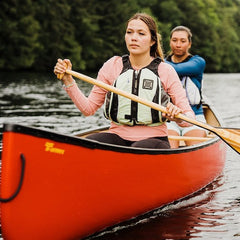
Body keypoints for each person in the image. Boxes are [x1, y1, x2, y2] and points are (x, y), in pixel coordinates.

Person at [54, 13, 195, 149]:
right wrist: (68, 80)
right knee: (88, 143)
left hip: (155, 140)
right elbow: (88, 109)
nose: (134, 38)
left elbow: (189, 117)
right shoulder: (112, 65)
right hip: (117, 136)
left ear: (152, 41)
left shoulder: (165, 70)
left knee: (138, 149)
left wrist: (177, 116)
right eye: (129, 32)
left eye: (141, 33)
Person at [165, 26, 207, 148]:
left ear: (189, 44)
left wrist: (155, 61)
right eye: (174, 40)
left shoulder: (198, 62)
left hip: (194, 116)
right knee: (168, 148)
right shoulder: (162, 63)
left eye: (183, 41)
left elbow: (176, 69)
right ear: (170, 42)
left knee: (195, 148)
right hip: (169, 117)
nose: (178, 45)